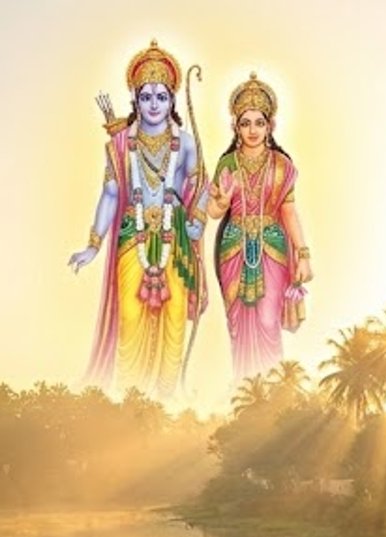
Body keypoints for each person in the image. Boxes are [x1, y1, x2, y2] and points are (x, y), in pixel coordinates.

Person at [67, 41, 209, 398]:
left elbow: (200, 185)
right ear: (135, 100)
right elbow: (111, 194)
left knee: (175, 318)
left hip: (174, 236)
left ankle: (167, 402)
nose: (154, 104)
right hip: (134, 235)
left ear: (173, 100)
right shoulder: (119, 145)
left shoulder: (187, 143)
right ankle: (128, 403)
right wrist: (93, 245)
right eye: (146, 97)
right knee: (130, 320)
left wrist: (197, 222)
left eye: (161, 96)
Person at [206, 72, 313, 383]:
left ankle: (271, 394)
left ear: (271, 126)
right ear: (235, 127)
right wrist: (222, 202)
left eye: (259, 122)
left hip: (272, 249)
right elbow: (212, 211)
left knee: (268, 321)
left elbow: (289, 211)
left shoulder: (282, 165)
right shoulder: (227, 164)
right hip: (233, 249)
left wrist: (303, 253)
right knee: (238, 328)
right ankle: (245, 392)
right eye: (245, 123)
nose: (252, 130)